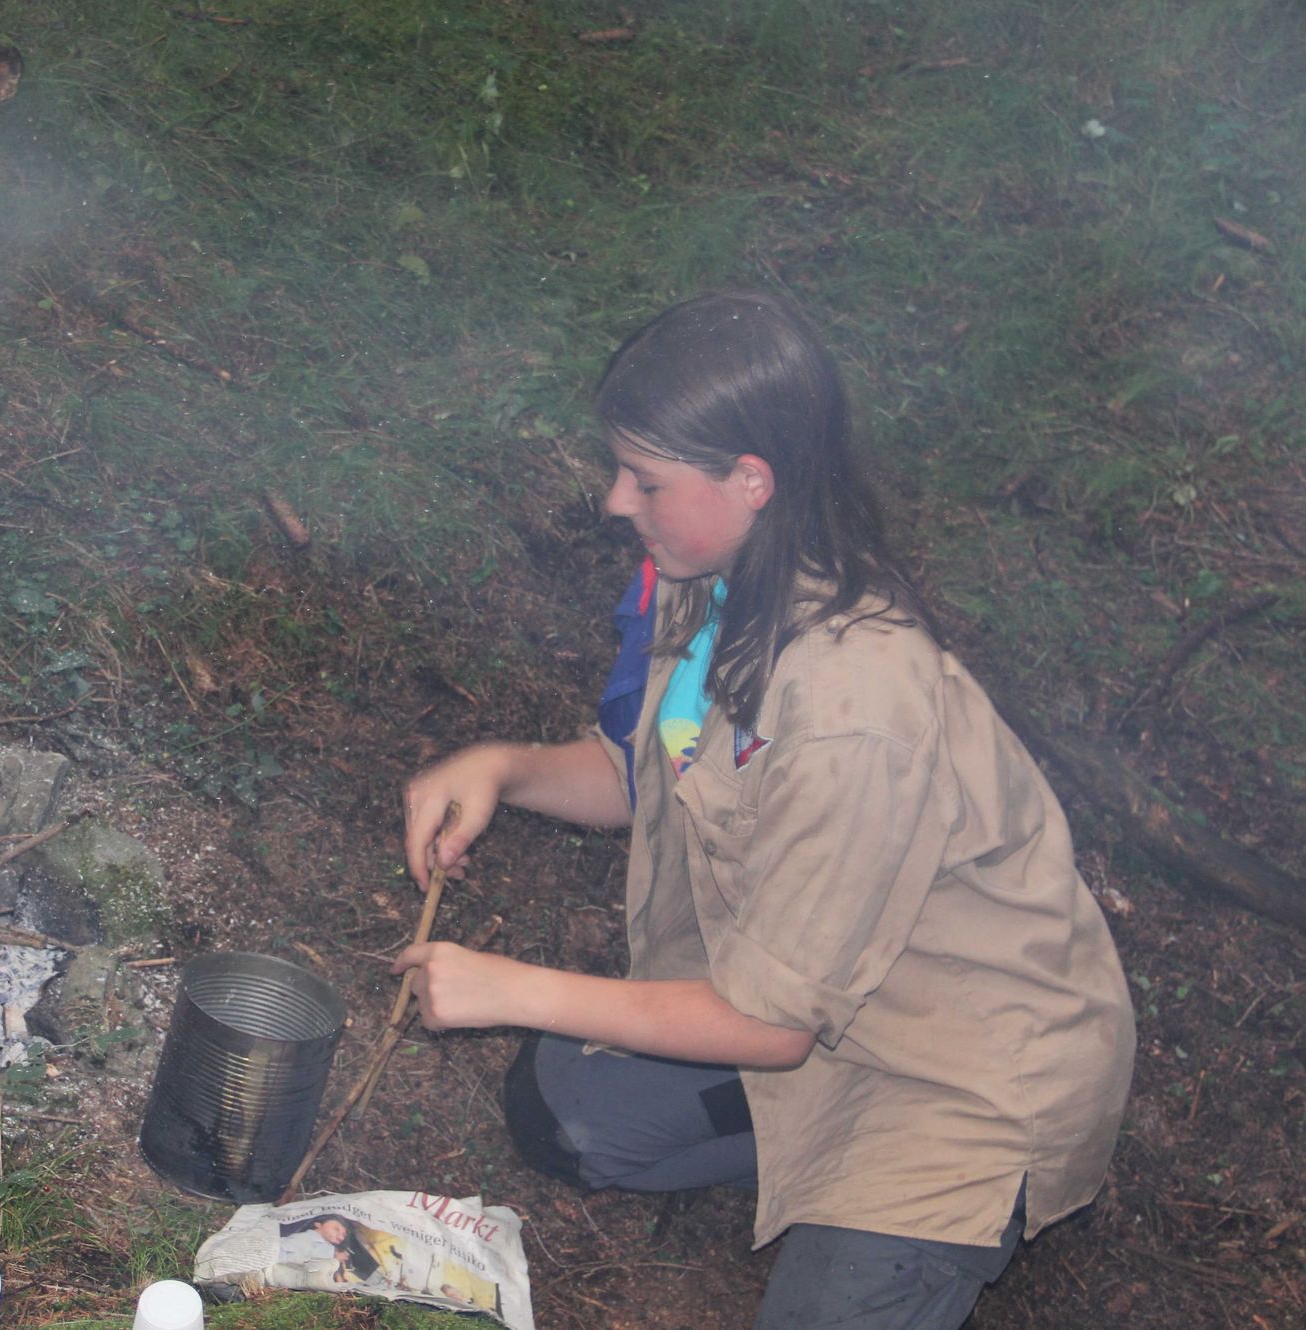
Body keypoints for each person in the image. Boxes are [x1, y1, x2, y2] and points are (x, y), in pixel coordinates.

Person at [394, 291, 1135, 1329]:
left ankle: (908, 1206)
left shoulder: (853, 707)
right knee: (564, 1112)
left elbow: (770, 1027)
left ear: (751, 479)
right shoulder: (718, 581)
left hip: (956, 1075)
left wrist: (511, 987)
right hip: (816, 1003)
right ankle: (797, 1145)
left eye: (646, 479)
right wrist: (503, 769)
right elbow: (645, 772)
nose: (615, 500)